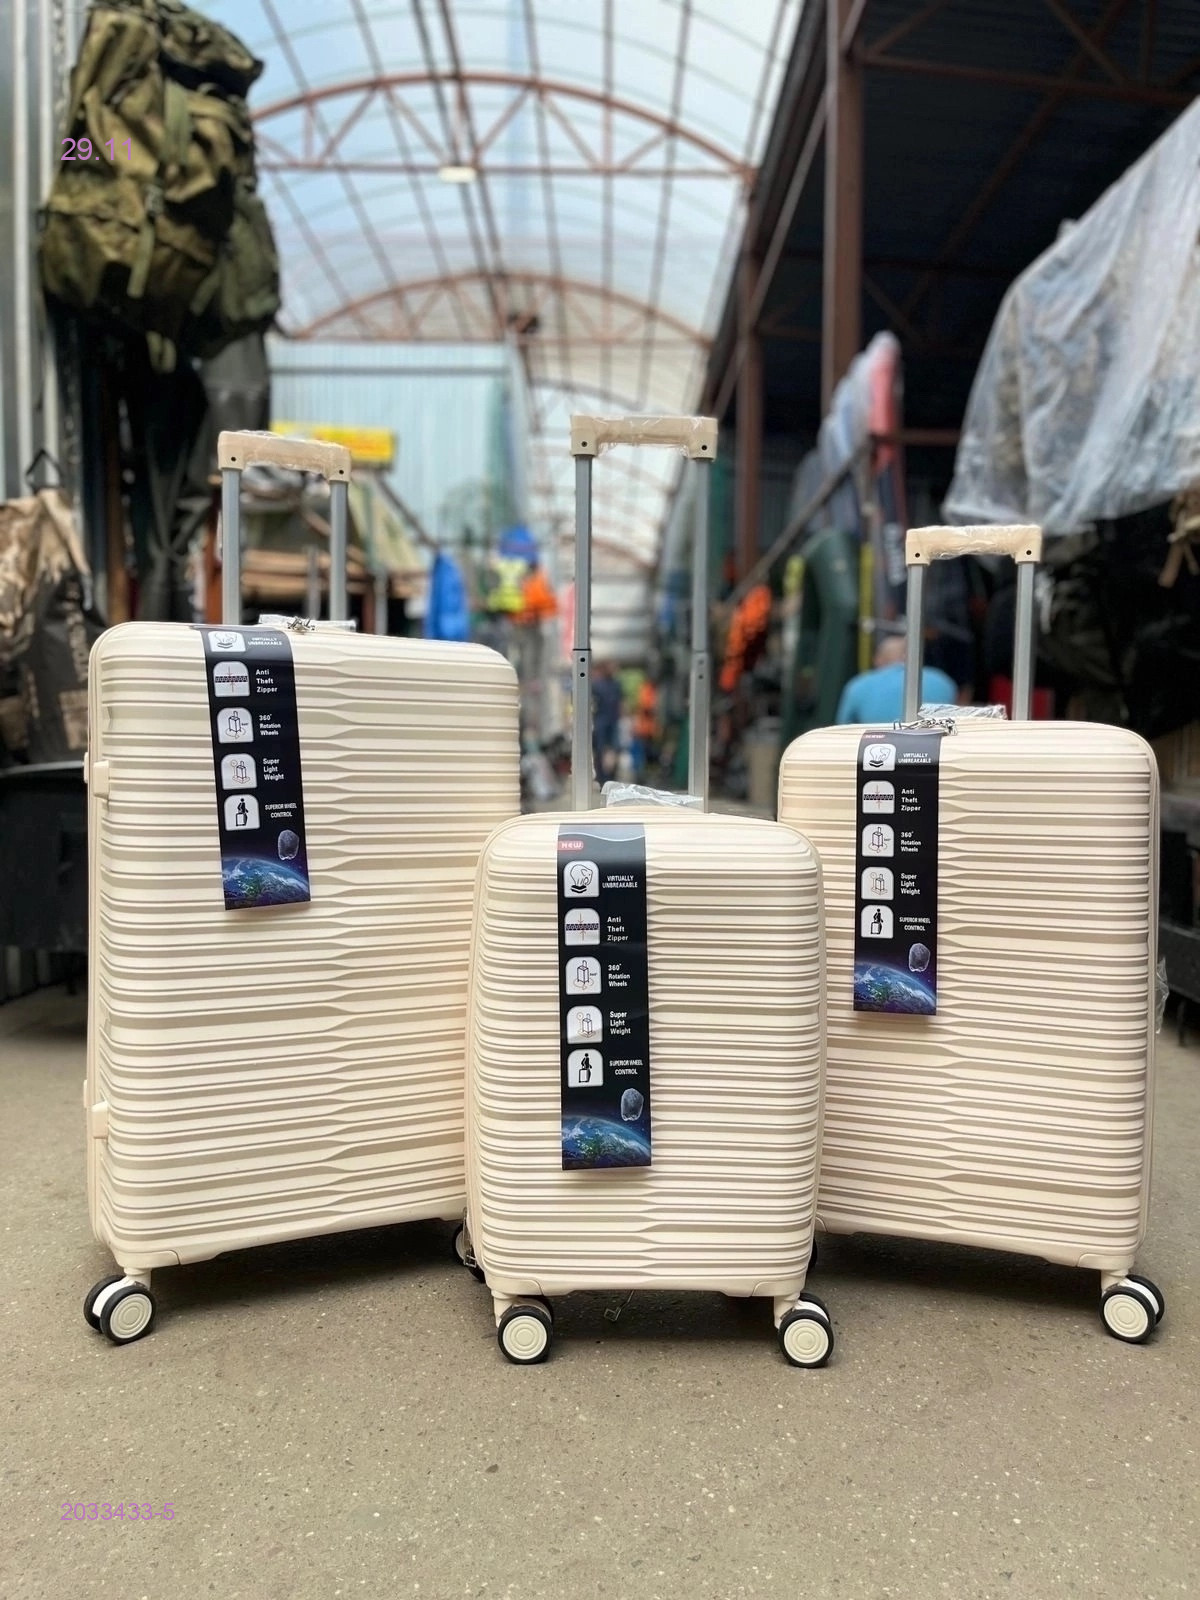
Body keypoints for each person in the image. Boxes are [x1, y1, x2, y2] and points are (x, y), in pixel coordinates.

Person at [835, 633, 958, 724]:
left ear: (878, 659)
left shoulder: (858, 684)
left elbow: (842, 728)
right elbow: (957, 722)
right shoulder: (942, 681)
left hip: (877, 747)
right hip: (930, 748)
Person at [592, 662, 622, 783]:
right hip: (601, 720)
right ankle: (602, 777)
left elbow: (620, 702)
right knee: (600, 750)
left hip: (613, 721)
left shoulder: (616, 685)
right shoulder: (597, 685)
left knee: (615, 749)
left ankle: (611, 777)